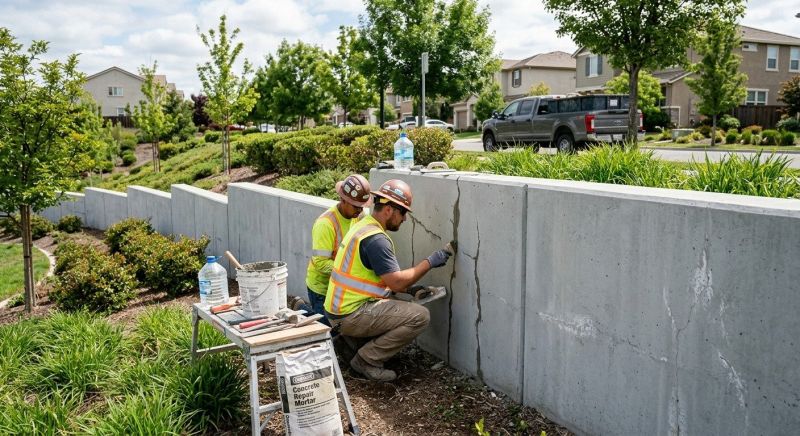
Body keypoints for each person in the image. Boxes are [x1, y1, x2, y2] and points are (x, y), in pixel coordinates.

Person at [324, 179, 453, 381]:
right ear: (389, 211)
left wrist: (410, 291)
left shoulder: (363, 226)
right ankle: (367, 360)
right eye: (403, 213)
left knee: (400, 305)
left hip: (339, 310)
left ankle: (352, 343)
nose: (404, 220)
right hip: (350, 315)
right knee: (420, 316)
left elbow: (372, 279)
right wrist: (430, 262)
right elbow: (397, 282)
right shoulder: (376, 239)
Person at [303, 174, 371, 325]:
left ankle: (305, 310)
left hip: (342, 285)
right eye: (356, 206)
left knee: (335, 327)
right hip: (322, 287)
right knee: (326, 331)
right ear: (343, 200)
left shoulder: (358, 216)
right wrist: (350, 271)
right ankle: (302, 309)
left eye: (362, 206)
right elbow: (320, 263)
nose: (360, 210)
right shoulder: (326, 224)